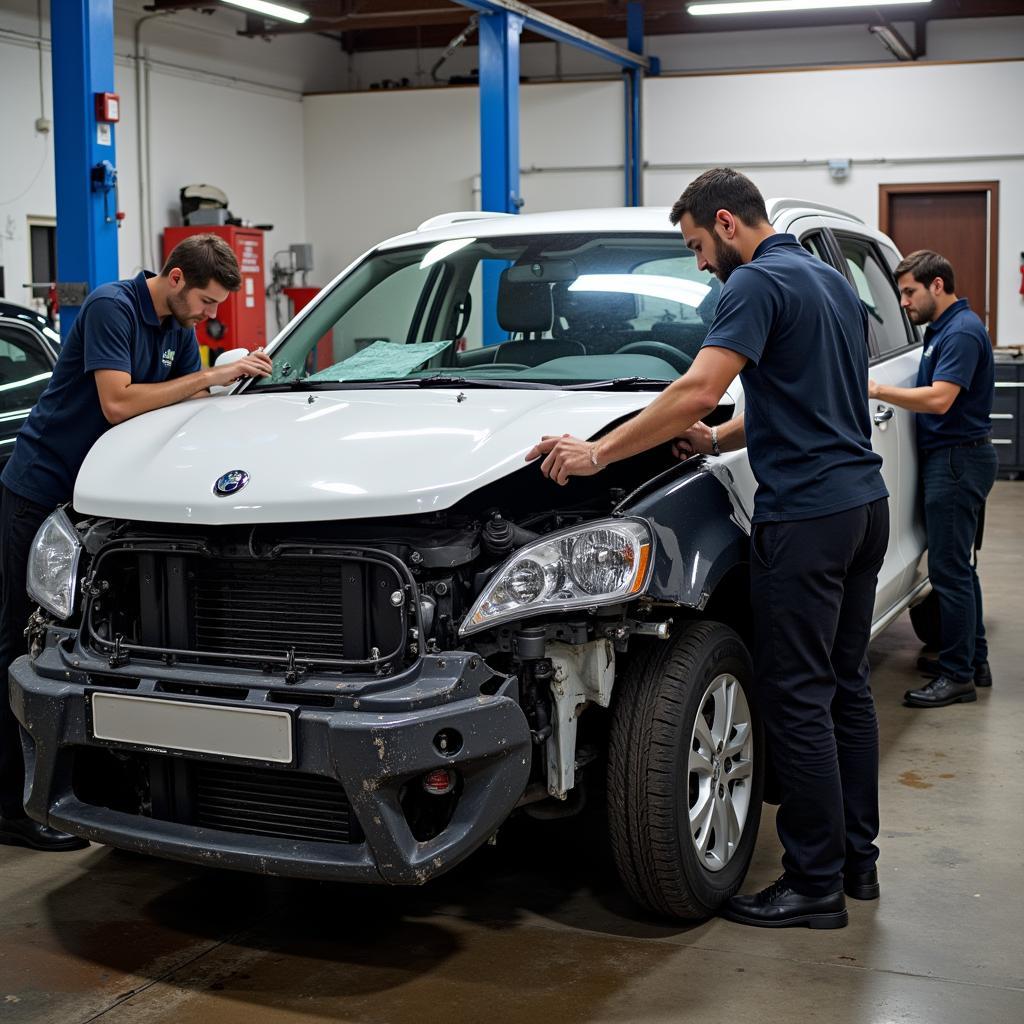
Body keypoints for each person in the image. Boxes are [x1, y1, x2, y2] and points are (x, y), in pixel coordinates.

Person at [526, 168, 889, 929]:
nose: (698, 264)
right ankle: (857, 861)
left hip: (807, 517)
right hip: (862, 506)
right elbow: (808, 401)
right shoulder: (831, 285)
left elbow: (696, 386)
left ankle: (812, 885)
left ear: (727, 222)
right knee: (846, 690)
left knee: (796, 699)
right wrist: (719, 437)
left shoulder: (753, 285)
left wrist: (598, 455)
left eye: (695, 245)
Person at [0, 234, 273, 852]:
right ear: (175, 278)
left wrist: (236, 389)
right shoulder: (112, 307)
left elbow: (188, 401)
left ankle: (92, 783)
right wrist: (212, 372)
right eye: (204, 301)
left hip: (102, 503)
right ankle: (10, 804)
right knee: (20, 636)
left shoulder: (179, 328)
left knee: (88, 643)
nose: (208, 315)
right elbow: (119, 403)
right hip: (42, 491)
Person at [868, 250, 996, 709]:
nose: (903, 303)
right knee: (959, 567)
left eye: (909, 292)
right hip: (957, 459)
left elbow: (941, 400)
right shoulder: (946, 329)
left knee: (949, 571)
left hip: (957, 462)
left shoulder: (960, 332)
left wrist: (878, 390)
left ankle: (957, 675)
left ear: (936, 285)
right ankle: (972, 658)